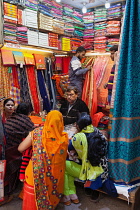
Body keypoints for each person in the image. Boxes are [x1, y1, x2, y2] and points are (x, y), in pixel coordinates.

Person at [18, 110, 68, 210]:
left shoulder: (36, 133)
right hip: (55, 179)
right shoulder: (64, 138)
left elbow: (20, 148)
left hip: (35, 176)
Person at [62, 114, 108, 206]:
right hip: (103, 170)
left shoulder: (78, 137)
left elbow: (70, 148)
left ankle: (68, 195)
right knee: (71, 167)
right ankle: (73, 196)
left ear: (79, 126)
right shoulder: (99, 132)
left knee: (64, 166)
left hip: (90, 172)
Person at [3, 103, 34, 200]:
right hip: (12, 151)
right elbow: (32, 135)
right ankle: (22, 178)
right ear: (28, 112)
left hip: (5, 148)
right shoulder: (27, 121)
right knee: (29, 151)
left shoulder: (11, 118)